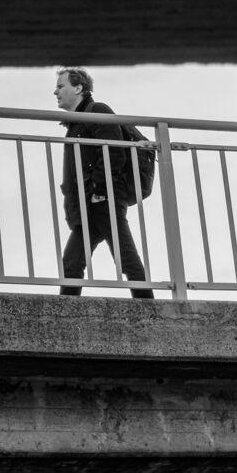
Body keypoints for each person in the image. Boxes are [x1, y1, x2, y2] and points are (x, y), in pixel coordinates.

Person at [54, 67, 154, 299]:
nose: (55, 92)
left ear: (78, 88)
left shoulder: (98, 111)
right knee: (72, 262)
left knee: (125, 258)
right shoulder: (76, 124)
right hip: (90, 202)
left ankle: (151, 311)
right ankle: (66, 314)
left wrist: (99, 191)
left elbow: (114, 153)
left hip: (105, 198)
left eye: (60, 86)